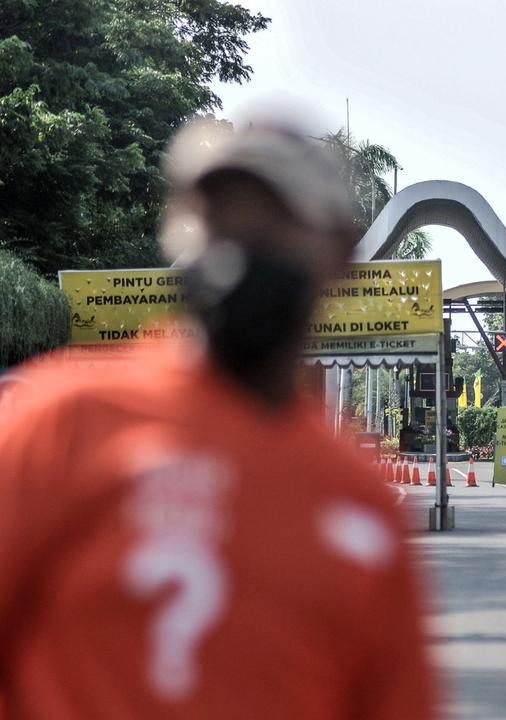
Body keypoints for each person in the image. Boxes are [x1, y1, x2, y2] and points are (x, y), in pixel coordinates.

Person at [0, 116, 440, 717]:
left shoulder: (358, 501)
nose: (237, 250)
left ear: (339, 254)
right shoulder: (58, 425)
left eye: (271, 229)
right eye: (214, 222)